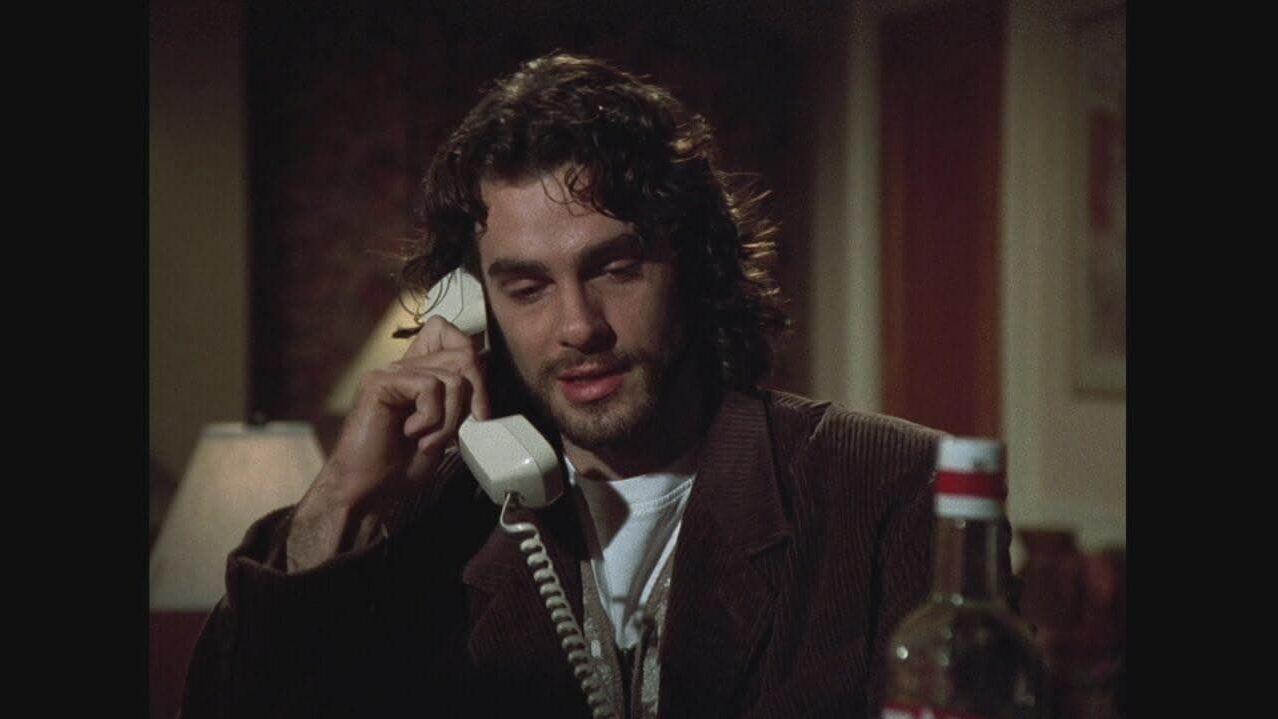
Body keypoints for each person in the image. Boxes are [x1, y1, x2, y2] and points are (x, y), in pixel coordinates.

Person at [181, 53, 1002, 719]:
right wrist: (342, 500)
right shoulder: (433, 520)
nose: (578, 326)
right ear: (472, 306)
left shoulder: (888, 487)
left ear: (693, 262)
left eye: (615, 268)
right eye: (527, 287)